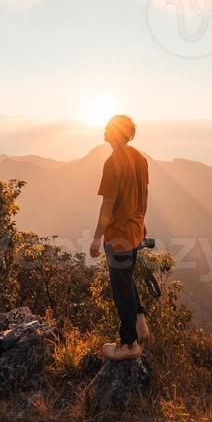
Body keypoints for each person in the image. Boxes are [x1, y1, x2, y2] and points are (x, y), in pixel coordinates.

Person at [89, 114, 149, 361]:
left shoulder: (112, 162)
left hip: (118, 235)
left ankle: (128, 344)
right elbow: (144, 194)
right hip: (134, 231)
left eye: (108, 126)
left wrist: (96, 238)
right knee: (127, 278)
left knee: (120, 289)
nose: (104, 128)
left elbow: (108, 204)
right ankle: (139, 319)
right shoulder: (140, 158)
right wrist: (142, 222)